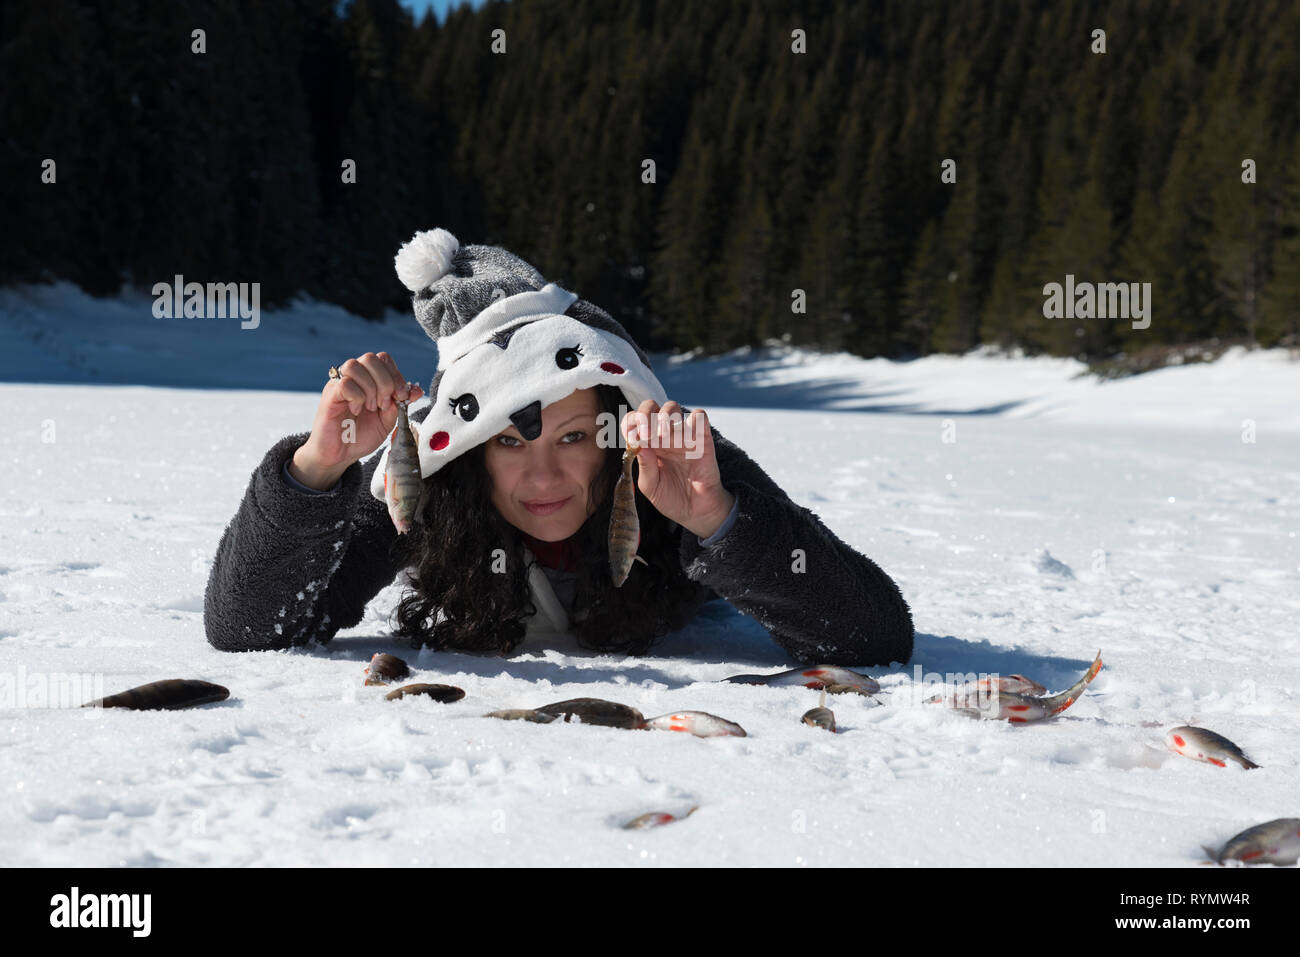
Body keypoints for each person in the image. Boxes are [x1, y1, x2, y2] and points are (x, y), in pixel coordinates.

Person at [204, 228, 914, 664]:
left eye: (574, 436)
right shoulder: (426, 486)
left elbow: (875, 634)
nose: (542, 474)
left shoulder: (679, 454)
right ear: (471, 447)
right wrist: (316, 469)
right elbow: (247, 628)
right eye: (509, 440)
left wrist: (716, 517)